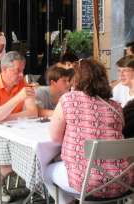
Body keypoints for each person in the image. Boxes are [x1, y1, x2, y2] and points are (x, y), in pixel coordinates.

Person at [46, 59, 133, 204]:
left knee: (46, 170)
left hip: (87, 183)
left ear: (77, 79)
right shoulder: (116, 107)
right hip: (123, 182)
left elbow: (55, 139)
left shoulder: (68, 99)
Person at [0, 51, 38, 202]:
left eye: (23, 70)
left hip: (13, 132)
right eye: (17, 71)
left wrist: (5, 117)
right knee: (24, 151)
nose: (21, 74)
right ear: (4, 69)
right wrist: (18, 98)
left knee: (33, 150)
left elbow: (33, 112)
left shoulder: (22, 84)